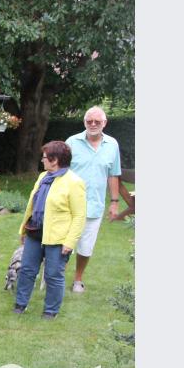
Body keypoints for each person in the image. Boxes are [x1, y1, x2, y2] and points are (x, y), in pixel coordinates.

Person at [13, 141, 86, 319]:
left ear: (55, 160)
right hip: (35, 232)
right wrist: (24, 230)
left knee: (53, 275)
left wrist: (70, 242)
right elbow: (33, 205)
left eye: (45, 157)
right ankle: (20, 304)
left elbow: (79, 216)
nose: (42, 160)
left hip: (58, 239)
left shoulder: (74, 182)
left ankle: (50, 311)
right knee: (27, 270)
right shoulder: (43, 177)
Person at [65, 106, 122, 293]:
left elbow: (113, 175)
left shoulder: (112, 145)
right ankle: (54, 276)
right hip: (68, 205)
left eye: (97, 121)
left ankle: (77, 280)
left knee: (86, 247)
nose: (93, 124)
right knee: (62, 243)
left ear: (104, 123)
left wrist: (114, 202)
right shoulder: (72, 142)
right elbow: (60, 172)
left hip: (94, 205)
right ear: (84, 122)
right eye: (89, 121)